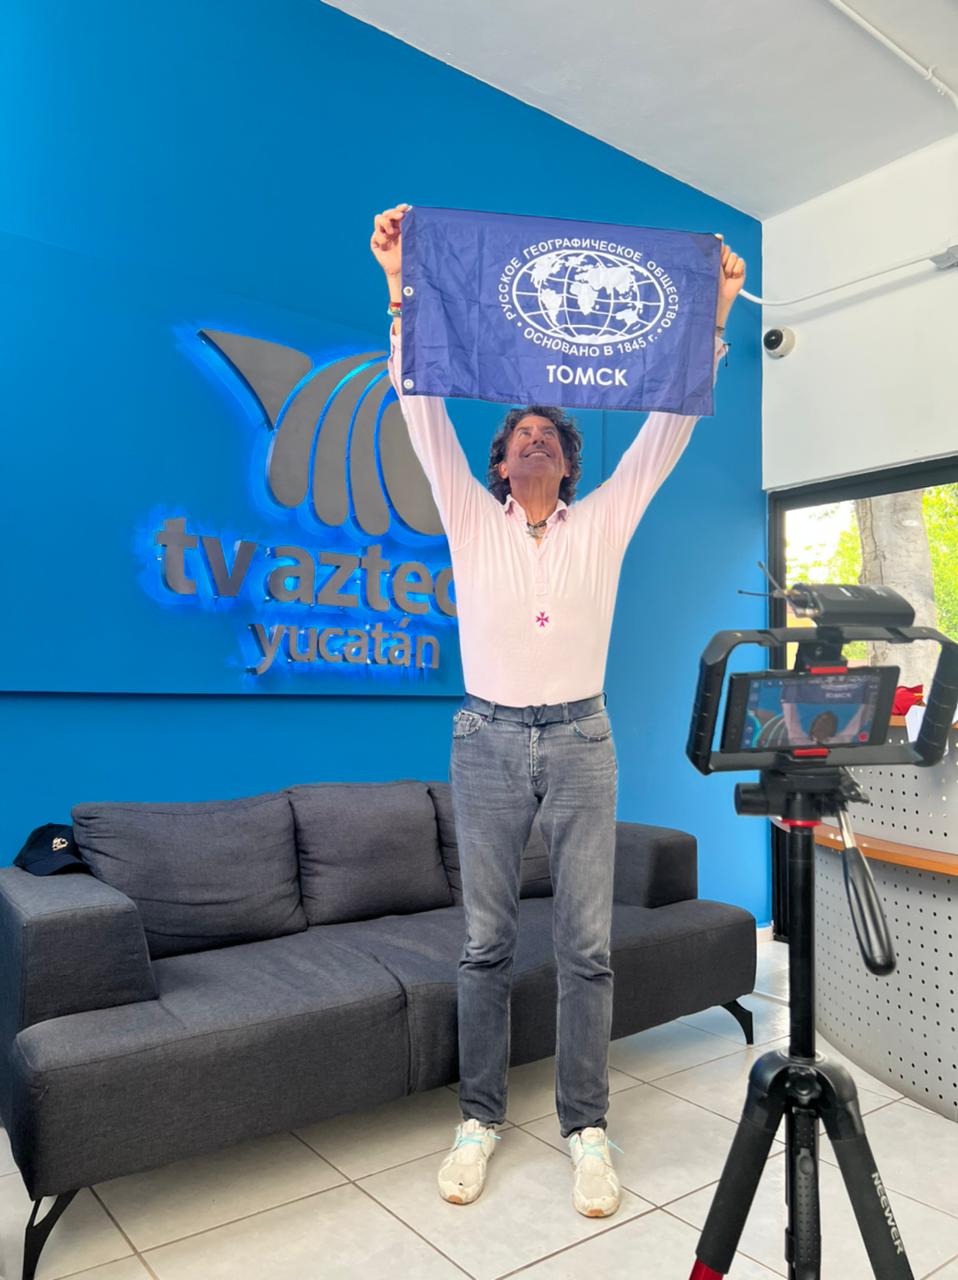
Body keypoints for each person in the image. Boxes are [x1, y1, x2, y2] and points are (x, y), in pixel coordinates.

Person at [370, 203, 745, 1217]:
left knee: (586, 948)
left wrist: (711, 314)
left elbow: (667, 428)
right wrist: (401, 286)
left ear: (569, 464)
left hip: (582, 739)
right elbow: (420, 408)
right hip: (486, 739)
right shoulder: (468, 516)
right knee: (484, 944)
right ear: (499, 464)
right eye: (519, 436)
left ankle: (586, 1127)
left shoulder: (604, 521)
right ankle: (479, 1118)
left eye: (548, 435)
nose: (532, 441)